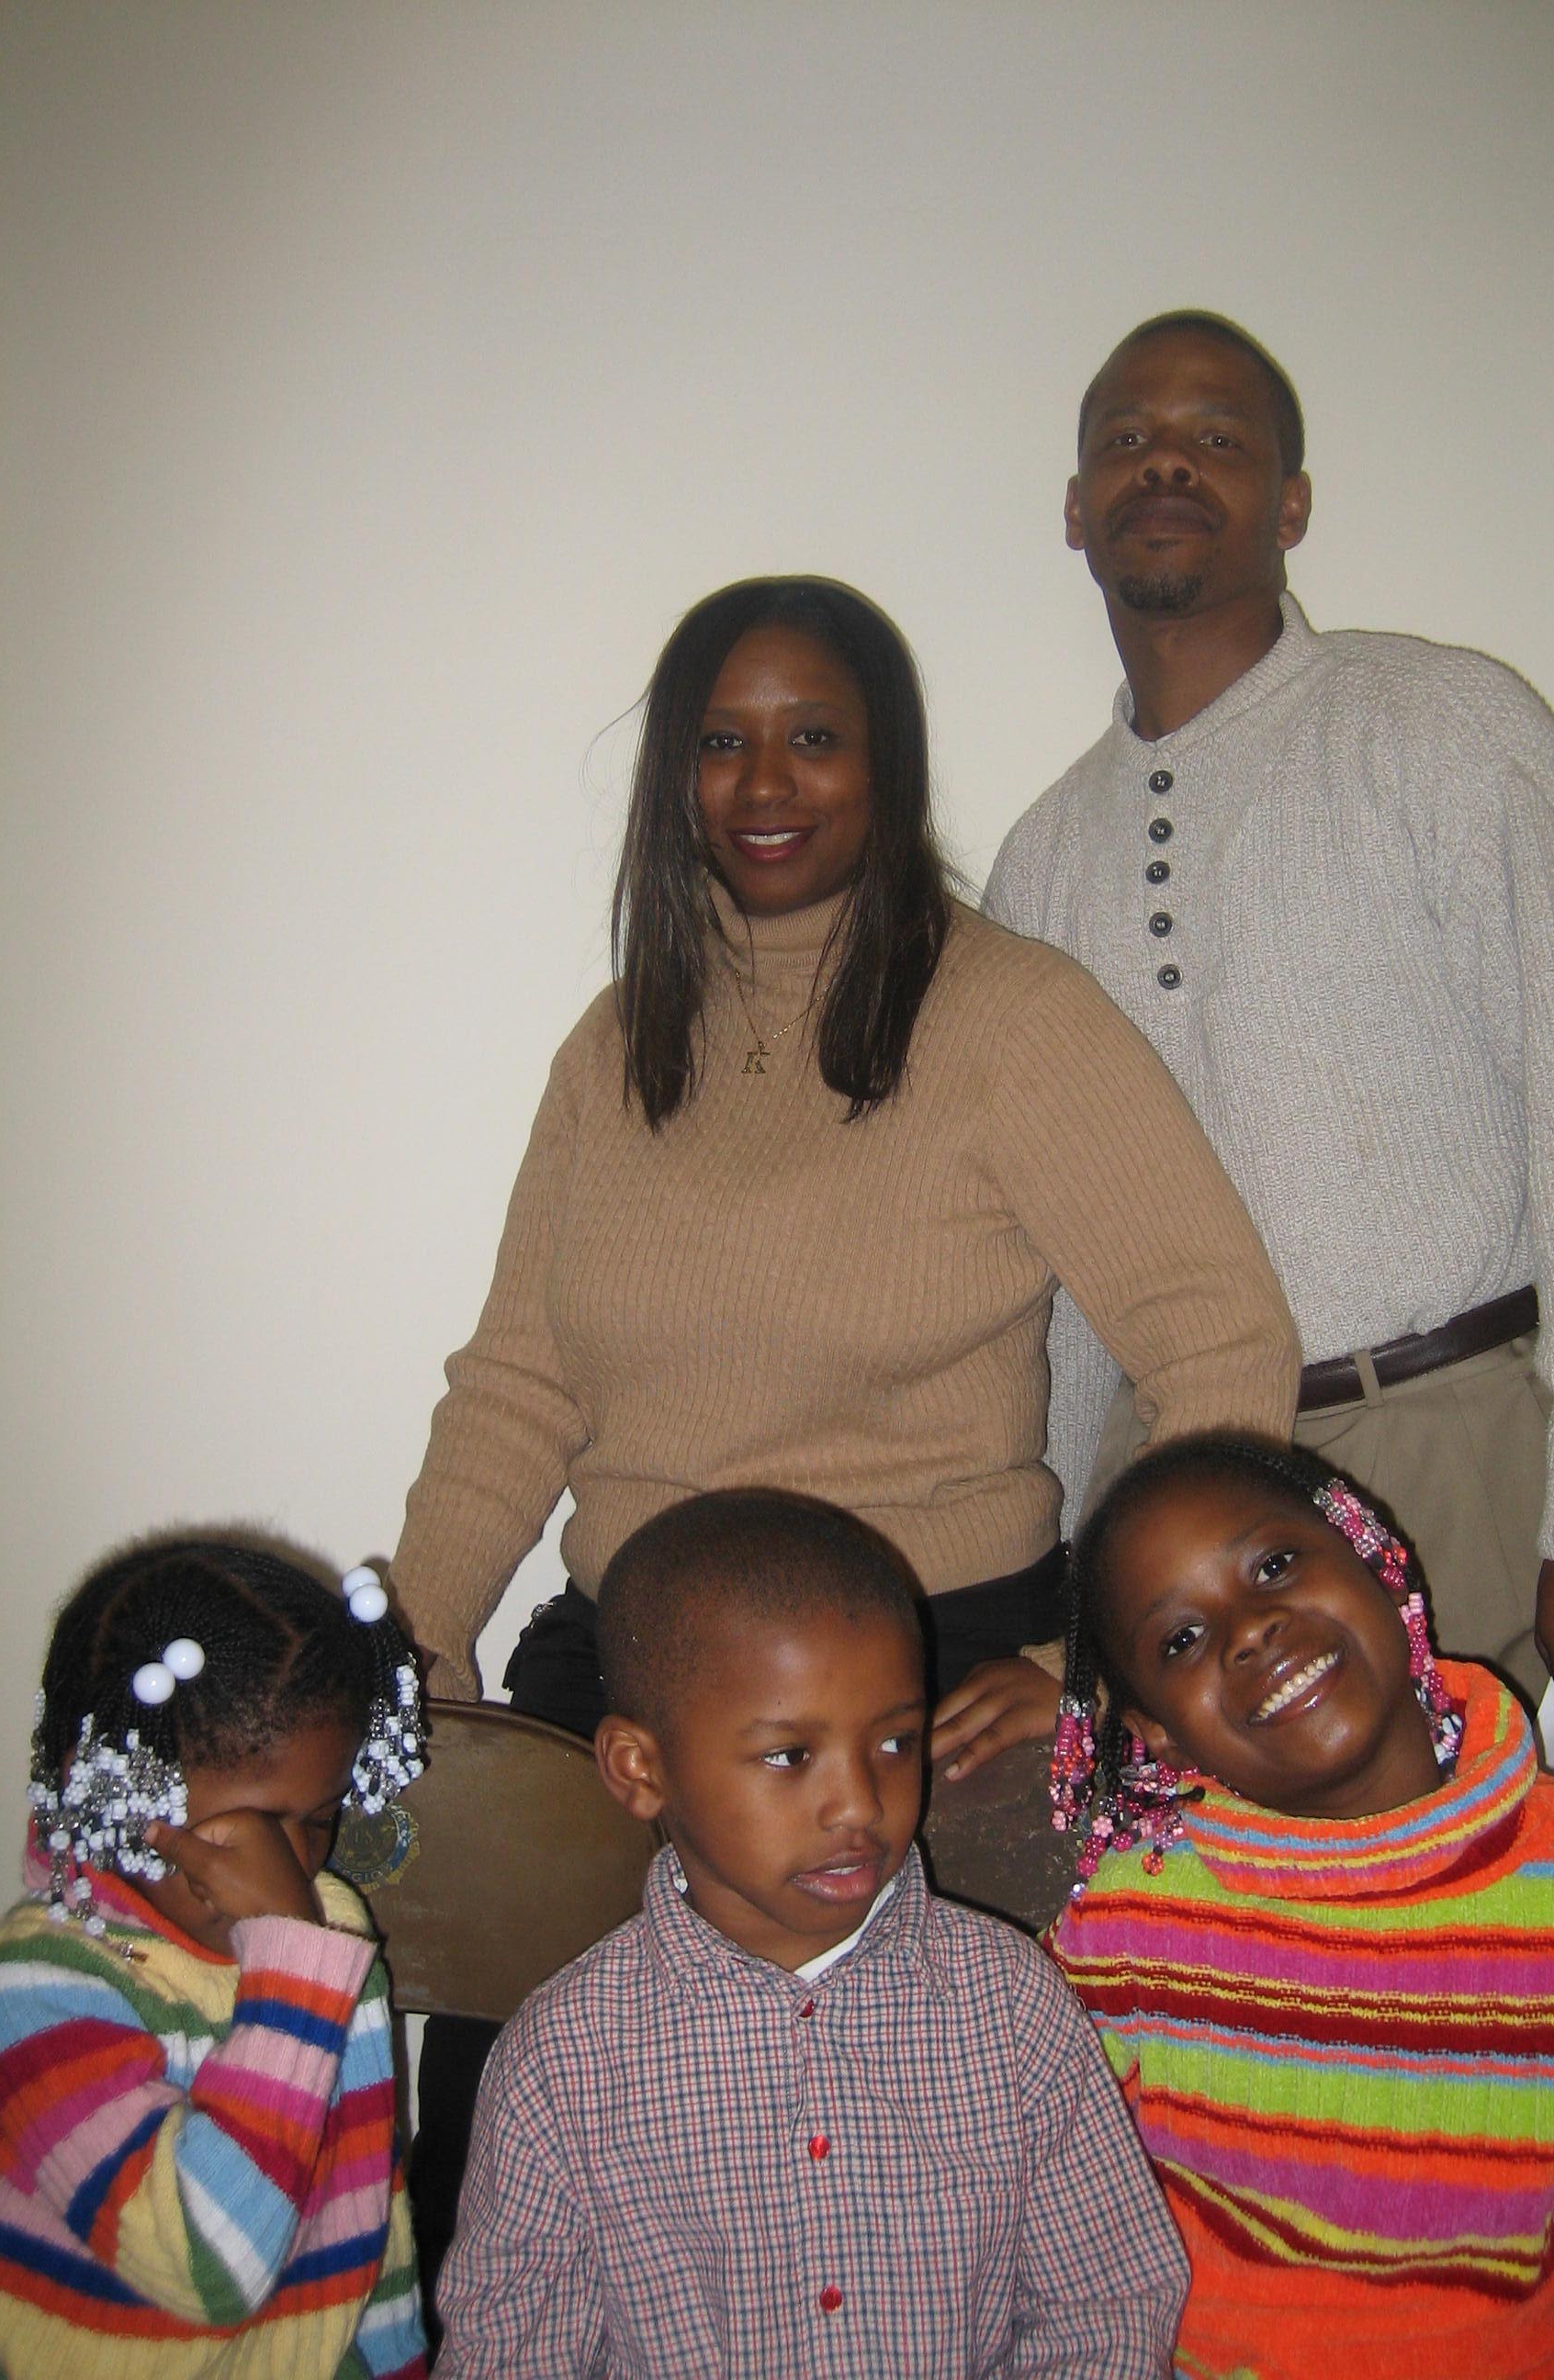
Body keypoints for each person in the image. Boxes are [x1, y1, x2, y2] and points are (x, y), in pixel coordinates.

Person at [387, 575, 1298, 2307]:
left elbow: (1218, 1342)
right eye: (720, 741)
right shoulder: (613, 1050)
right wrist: (413, 1637)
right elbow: (518, 1383)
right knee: (506, 2153)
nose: (764, 781)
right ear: (674, 776)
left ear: (888, 764)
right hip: (634, 1673)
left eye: (814, 735)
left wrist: (1098, 1661)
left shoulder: (1014, 1018)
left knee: (911, 2197)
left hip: (928, 1679)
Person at [983, 311, 1554, 1779]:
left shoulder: (1442, 726)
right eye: (1127, 440)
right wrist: (1054, 1585)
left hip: (1456, 1469)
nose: (1166, 463)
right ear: (1074, 507)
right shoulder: (1043, 859)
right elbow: (1050, 1288)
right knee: (1218, 1925)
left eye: (1217, 437)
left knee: (1496, 1913)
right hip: (1172, 1521)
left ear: (1292, 503)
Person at [435, 1488, 1188, 2378]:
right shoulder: (562, 2064)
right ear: (640, 1770)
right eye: (790, 1756)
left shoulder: (1010, 2003)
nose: (858, 1805)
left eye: (895, 1743)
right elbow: (510, 2356)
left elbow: (1109, 2308)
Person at [1045, 1433, 1554, 2380]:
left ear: (1375, 1557)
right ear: (1158, 1737)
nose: (1248, 1630)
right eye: (1182, 1639)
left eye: (1274, 1565)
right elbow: (1063, 2253)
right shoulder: (1128, 1925)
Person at [0, 1532, 428, 2380]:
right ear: (110, 1789)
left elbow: (365, 2229)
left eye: (319, 1819)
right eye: (240, 1836)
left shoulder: (327, 1930)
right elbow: (211, 2268)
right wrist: (290, 1969)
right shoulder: (34, 1990)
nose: (289, 1871)